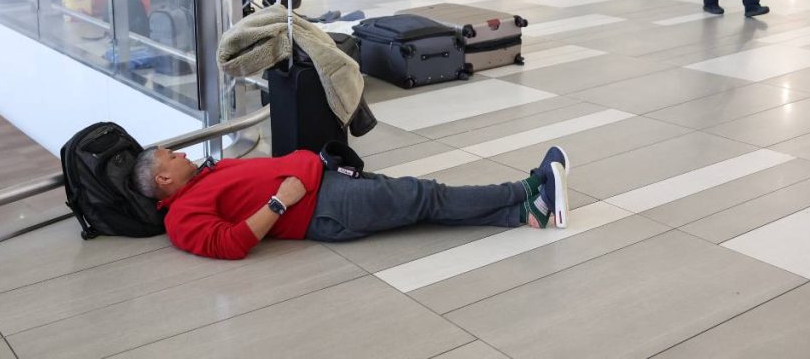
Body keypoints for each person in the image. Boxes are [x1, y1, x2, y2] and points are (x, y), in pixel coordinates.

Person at [132, 144, 570, 260]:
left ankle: (521, 213)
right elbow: (229, 244)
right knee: (424, 196)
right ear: (164, 177)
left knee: (420, 201)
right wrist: (281, 203)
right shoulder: (182, 217)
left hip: (323, 184)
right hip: (323, 206)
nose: (184, 154)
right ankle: (525, 192)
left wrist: (302, 171)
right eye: (174, 156)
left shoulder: (204, 175)